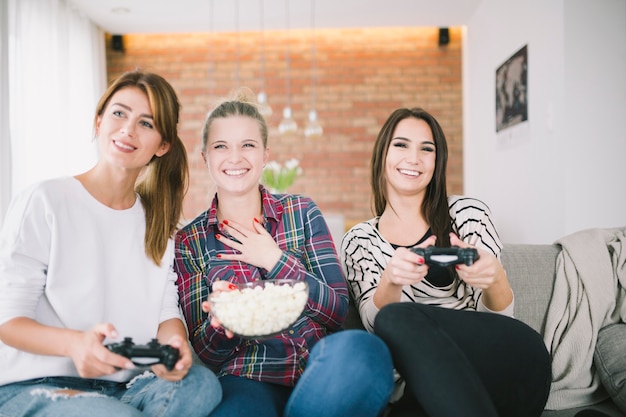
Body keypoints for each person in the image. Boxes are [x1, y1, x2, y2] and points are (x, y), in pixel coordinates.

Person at [0, 70, 222, 417]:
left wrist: (175, 349)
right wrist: (75, 344)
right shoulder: (45, 200)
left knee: (200, 384)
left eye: (146, 123)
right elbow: (7, 321)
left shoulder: (158, 225)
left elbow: (166, 314)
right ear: (99, 121)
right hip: (37, 386)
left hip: (129, 386)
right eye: (119, 113)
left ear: (162, 145)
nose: (128, 130)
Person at [174, 89, 394, 417]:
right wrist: (222, 322)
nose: (235, 158)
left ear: (265, 155)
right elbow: (206, 354)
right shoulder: (189, 241)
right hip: (246, 377)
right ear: (205, 157)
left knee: (364, 351)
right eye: (221, 146)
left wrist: (275, 260)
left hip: (320, 369)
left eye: (248, 145)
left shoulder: (302, 212)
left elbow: (336, 311)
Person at [341, 107, 552, 417]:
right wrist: (391, 281)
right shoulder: (359, 240)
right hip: (427, 392)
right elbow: (377, 329)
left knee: (396, 317)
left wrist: (494, 278)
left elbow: (501, 322)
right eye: (401, 145)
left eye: (427, 149)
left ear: (437, 162)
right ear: (382, 154)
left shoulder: (467, 214)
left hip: (505, 368)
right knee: (392, 321)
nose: (414, 158)